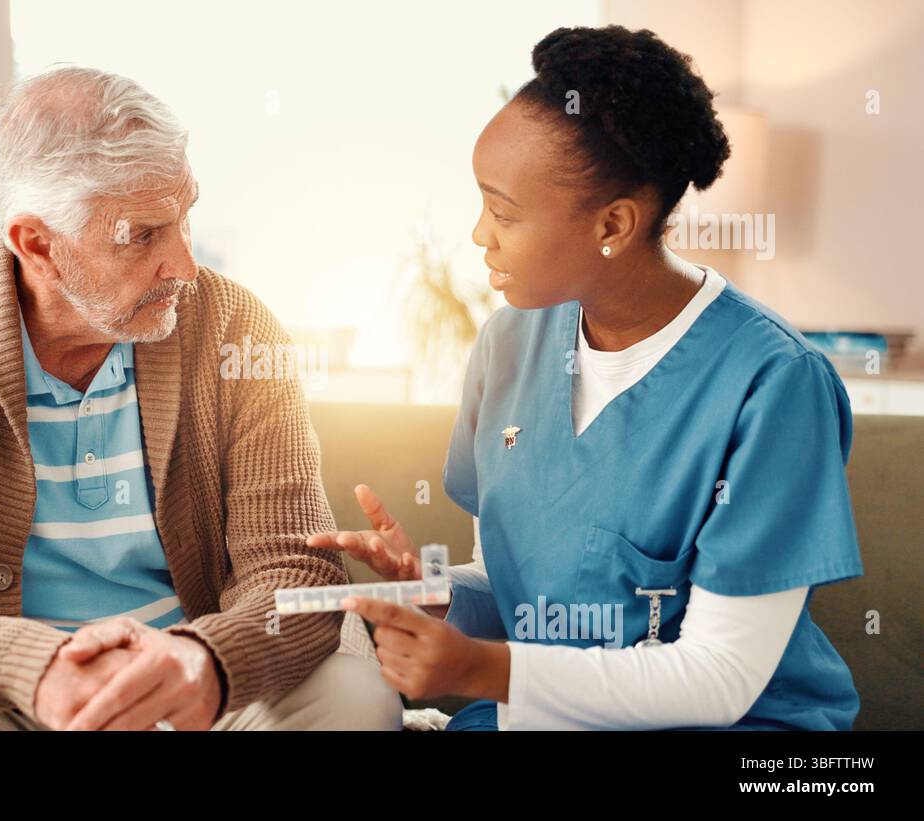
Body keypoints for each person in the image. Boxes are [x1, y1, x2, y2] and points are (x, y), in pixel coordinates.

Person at [0, 65, 399, 731]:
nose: (185, 266)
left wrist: (208, 661)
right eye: (142, 235)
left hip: (194, 693)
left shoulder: (236, 329)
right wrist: (36, 666)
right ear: (37, 245)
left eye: (184, 217)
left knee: (354, 698)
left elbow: (296, 571)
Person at [309, 25, 862, 731]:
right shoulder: (509, 342)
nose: (480, 235)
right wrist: (436, 596)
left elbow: (721, 676)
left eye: (504, 212)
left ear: (615, 224)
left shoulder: (774, 383)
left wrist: (479, 669)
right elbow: (523, 599)